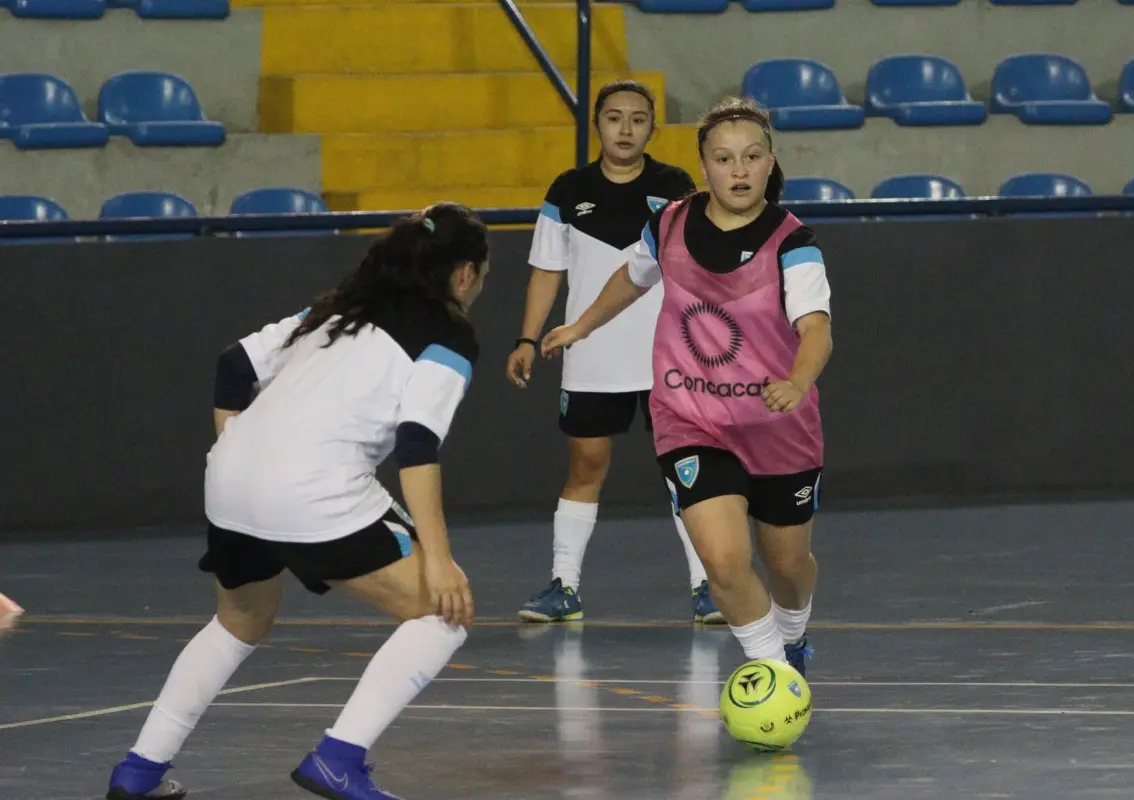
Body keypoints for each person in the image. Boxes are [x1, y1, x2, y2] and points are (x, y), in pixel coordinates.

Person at [106, 203, 489, 800]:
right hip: (315, 489)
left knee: (239, 621)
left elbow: (233, 365)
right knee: (444, 612)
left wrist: (250, 457)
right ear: (465, 275)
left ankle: (138, 771)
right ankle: (339, 759)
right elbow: (417, 445)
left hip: (230, 476)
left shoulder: (339, 309)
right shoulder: (450, 335)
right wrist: (439, 560)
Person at [540, 97, 833, 677]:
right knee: (724, 561)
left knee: (788, 565)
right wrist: (582, 325)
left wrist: (798, 381)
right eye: (724, 159)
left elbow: (816, 330)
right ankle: (772, 671)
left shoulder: (793, 242)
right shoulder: (669, 222)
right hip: (691, 420)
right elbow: (632, 275)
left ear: (771, 162)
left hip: (778, 427)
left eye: (751, 157)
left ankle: (793, 634)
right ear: (704, 166)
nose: (739, 170)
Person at [507, 79, 724, 624]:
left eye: (637, 118)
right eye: (613, 117)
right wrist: (528, 338)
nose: (625, 129)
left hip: (669, 356)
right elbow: (546, 270)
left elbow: (700, 263)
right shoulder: (566, 189)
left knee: (688, 471)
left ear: (652, 127)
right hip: (590, 354)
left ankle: (709, 587)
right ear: (598, 124)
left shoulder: (675, 186)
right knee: (586, 466)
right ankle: (564, 586)